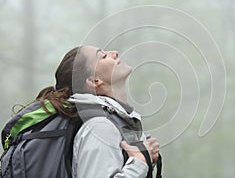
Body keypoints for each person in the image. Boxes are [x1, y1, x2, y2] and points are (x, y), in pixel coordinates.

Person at [36, 45, 160, 177]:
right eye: (103, 56)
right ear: (94, 81)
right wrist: (139, 162)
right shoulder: (99, 127)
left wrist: (145, 157)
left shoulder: (110, 121)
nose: (115, 52)